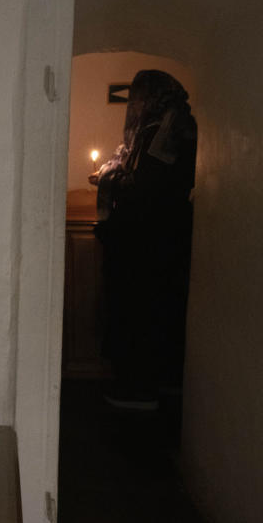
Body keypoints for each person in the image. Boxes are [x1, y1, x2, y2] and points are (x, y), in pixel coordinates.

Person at [90, 69, 197, 409]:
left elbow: (149, 185)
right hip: (160, 234)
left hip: (148, 238)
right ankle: (161, 381)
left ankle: (140, 387)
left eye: (138, 97)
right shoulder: (168, 124)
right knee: (155, 308)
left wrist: (109, 180)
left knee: (141, 309)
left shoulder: (166, 128)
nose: (133, 105)